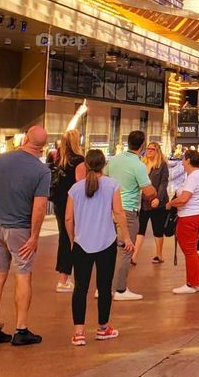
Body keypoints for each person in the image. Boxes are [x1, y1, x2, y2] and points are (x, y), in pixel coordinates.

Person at [0, 125, 51, 347]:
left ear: (25, 139)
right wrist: (34, 237)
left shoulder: (2, 159)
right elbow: (39, 208)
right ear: (43, 146)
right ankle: (21, 330)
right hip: (20, 229)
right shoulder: (42, 171)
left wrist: (2, 188)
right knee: (23, 275)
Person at [65, 149, 133, 345]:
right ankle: (103, 328)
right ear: (104, 165)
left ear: (85, 165)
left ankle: (79, 333)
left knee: (80, 288)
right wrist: (127, 237)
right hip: (106, 243)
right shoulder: (112, 185)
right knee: (104, 287)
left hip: (81, 243)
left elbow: (69, 218)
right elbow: (119, 213)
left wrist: (72, 239)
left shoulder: (75, 189)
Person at [105, 131, 153, 301]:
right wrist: (154, 194)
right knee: (126, 250)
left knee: (109, 251)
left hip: (111, 210)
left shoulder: (115, 160)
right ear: (143, 145)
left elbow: (103, 177)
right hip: (129, 211)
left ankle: (104, 288)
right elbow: (148, 190)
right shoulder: (138, 165)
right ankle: (120, 289)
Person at [166, 148, 199, 294]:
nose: (182, 163)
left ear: (189, 160)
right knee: (192, 251)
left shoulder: (193, 177)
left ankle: (192, 283)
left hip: (189, 217)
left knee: (189, 251)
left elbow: (184, 199)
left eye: (184, 159)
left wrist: (171, 203)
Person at [49, 129, 85, 292]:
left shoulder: (58, 159)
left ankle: (64, 277)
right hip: (73, 204)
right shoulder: (79, 160)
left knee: (64, 236)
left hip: (58, 202)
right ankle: (65, 278)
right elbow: (81, 184)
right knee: (72, 238)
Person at [132, 141, 169, 265]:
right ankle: (134, 256)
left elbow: (164, 183)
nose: (149, 151)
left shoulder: (162, 165)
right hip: (143, 203)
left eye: (152, 149)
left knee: (157, 230)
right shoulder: (142, 164)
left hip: (158, 203)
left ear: (157, 151)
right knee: (140, 229)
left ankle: (159, 255)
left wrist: (158, 198)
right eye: (148, 149)